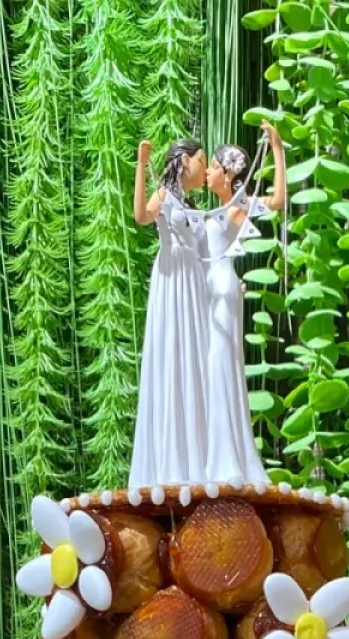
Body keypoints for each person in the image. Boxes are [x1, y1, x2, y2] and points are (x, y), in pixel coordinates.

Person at [202, 126, 286, 488]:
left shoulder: (238, 209)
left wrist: (278, 150)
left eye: (212, 167)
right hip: (206, 291)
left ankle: (225, 458)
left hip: (221, 289)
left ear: (227, 172)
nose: (206, 172)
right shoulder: (213, 209)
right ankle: (207, 450)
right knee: (205, 367)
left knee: (220, 365)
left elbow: (279, 201)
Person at [129, 138, 213, 491]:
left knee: (195, 359)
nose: (206, 170)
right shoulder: (165, 196)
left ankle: (198, 453)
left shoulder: (193, 205)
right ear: (184, 162)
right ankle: (169, 458)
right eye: (201, 161)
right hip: (172, 281)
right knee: (172, 355)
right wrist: (140, 164)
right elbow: (141, 216)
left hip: (193, 284)